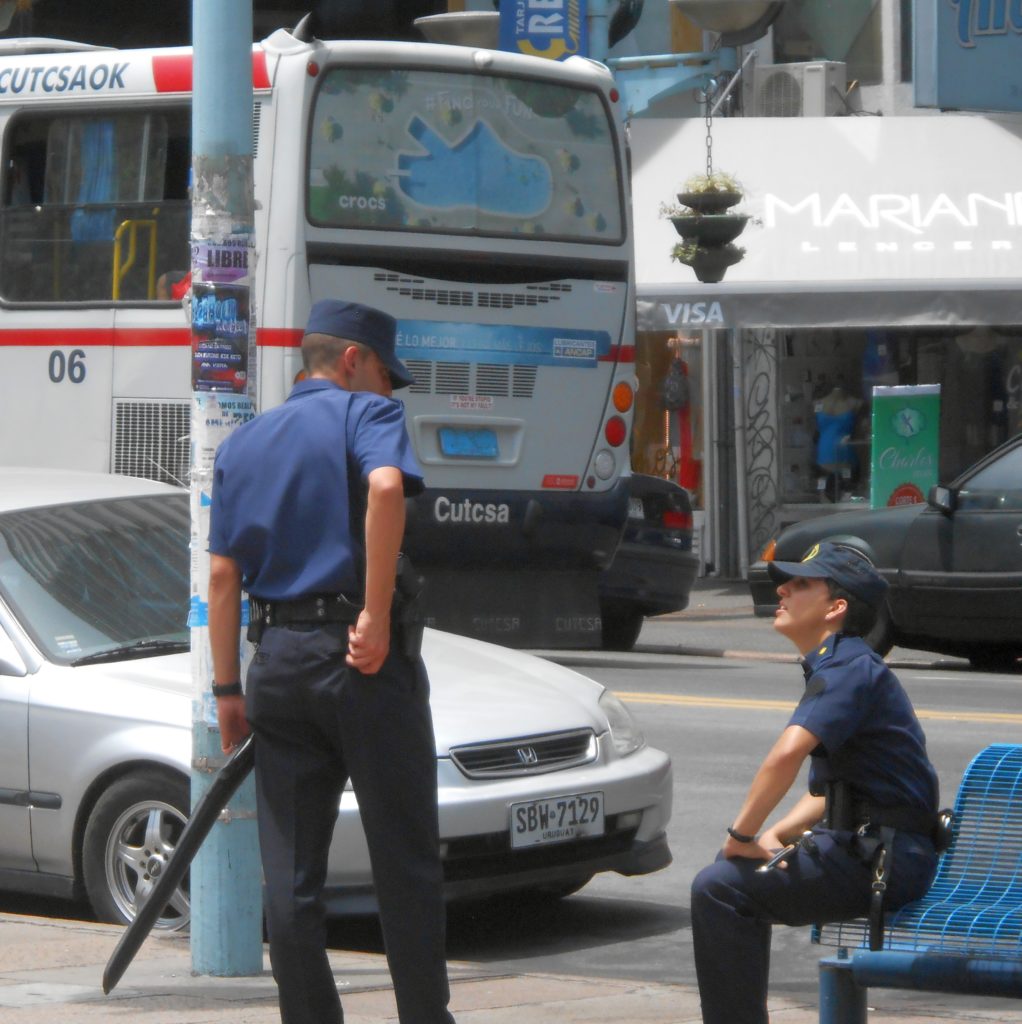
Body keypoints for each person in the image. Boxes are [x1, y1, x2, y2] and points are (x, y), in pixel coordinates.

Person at [207, 299, 454, 1024]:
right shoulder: (362, 415)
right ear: (351, 361)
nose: (387, 390)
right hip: (362, 662)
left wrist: (227, 687)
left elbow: (222, 578)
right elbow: (385, 489)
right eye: (384, 373)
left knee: (289, 878)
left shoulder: (242, 444)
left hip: (275, 663)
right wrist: (375, 613)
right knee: (404, 861)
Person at [689, 541, 939, 1024]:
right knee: (729, 876)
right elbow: (829, 790)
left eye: (801, 583)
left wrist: (741, 835)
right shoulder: (844, 663)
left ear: (836, 607)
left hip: (886, 858)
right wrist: (776, 833)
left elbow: (786, 754)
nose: (782, 588)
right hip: (869, 847)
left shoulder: (846, 667)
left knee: (719, 887)